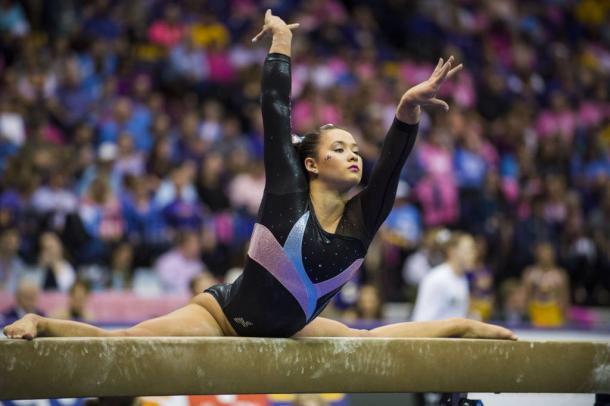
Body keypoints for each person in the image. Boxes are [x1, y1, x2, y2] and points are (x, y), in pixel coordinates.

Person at [4, 10, 515, 341]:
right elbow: (275, 112)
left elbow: (394, 163)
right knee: (130, 343)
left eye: (357, 148)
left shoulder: (365, 219)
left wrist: (406, 108)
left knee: (369, 342)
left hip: (295, 331)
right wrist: (282, 43)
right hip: (225, 319)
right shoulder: (289, 191)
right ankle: (41, 324)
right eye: (340, 148)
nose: (355, 155)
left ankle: (466, 328)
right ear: (312, 163)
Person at [411, 232, 475, 321]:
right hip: (435, 334)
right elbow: (421, 320)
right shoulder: (436, 279)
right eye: (468, 250)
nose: (474, 255)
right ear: (452, 252)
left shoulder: (463, 279)